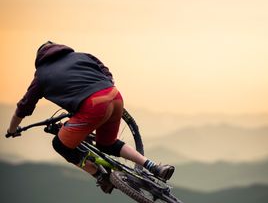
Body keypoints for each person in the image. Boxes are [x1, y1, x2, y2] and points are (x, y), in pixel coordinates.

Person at [6, 41, 175, 193]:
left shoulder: (41, 75)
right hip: (114, 96)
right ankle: (154, 167)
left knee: (60, 145)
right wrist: (104, 88)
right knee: (108, 143)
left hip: (92, 106)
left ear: (40, 60)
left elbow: (24, 107)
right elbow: (105, 70)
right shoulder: (81, 56)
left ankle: (101, 177)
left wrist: (12, 129)